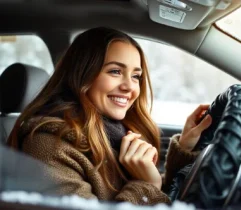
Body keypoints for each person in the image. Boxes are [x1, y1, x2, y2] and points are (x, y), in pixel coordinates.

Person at [7, 27, 212, 205]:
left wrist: (185, 147)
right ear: (82, 75)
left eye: (135, 76)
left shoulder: (114, 132)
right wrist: (145, 186)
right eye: (115, 71)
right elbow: (150, 191)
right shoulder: (49, 147)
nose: (129, 86)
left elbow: (158, 194)